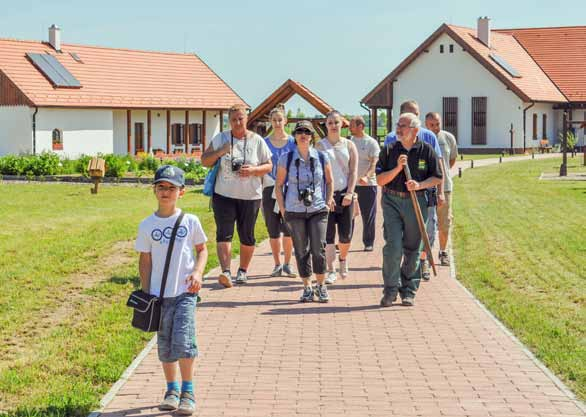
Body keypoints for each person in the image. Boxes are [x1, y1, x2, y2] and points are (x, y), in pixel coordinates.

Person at [135, 165, 208, 414]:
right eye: (161, 187)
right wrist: (146, 293)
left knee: (184, 342)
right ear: (154, 190)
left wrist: (198, 272)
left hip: (185, 293)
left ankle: (188, 391)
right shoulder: (146, 225)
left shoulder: (190, 221)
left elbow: (202, 250)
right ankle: (171, 390)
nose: (166, 192)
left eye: (171, 188)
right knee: (165, 344)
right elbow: (145, 261)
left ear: (182, 192)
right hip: (159, 296)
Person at [201, 104, 272, 287]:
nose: (237, 122)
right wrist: (220, 152)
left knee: (247, 235)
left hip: (250, 196)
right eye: (233, 119)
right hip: (223, 195)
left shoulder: (257, 140)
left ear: (247, 118)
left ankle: (243, 271)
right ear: (229, 121)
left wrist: (254, 170)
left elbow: (269, 165)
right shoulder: (221, 138)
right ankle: (225, 271)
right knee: (224, 233)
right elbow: (204, 160)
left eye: (240, 118)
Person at [376, 113, 442, 307]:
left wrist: (419, 185)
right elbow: (380, 180)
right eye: (398, 124)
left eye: (403, 125)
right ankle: (390, 290)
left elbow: (437, 177)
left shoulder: (426, 150)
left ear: (414, 130)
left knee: (413, 248)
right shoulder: (389, 150)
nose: (398, 128)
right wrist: (397, 168)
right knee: (393, 246)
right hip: (392, 200)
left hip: (416, 201)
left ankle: (409, 290)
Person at [384, 100, 445, 280]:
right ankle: (406, 267)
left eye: (417, 114)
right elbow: (385, 169)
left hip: (424, 194)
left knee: (427, 229)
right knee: (399, 234)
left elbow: (438, 166)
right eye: (411, 114)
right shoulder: (390, 138)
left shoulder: (429, 137)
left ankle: (423, 261)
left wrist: (440, 191)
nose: (415, 118)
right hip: (397, 196)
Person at [275, 121, 335, 302]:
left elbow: (330, 181)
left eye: (307, 132)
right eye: (300, 131)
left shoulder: (322, 157)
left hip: (317, 208)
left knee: (318, 249)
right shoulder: (286, 158)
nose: (303, 134)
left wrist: (327, 201)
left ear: (311, 136)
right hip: (294, 210)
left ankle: (321, 285)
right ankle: (307, 286)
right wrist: (284, 208)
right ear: (294, 135)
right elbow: (278, 185)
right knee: (301, 250)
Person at [316, 110, 358, 284]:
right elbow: (317, 173)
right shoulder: (320, 146)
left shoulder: (349, 145)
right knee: (328, 235)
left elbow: (354, 171)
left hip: (345, 194)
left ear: (342, 124)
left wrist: (350, 192)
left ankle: (343, 259)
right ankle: (331, 269)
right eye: (330, 123)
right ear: (326, 125)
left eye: (336, 122)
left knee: (345, 235)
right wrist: (326, 196)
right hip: (327, 196)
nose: (333, 125)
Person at [262, 106, 297, 277]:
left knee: (288, 227)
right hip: (269, 188)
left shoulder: (292, 142)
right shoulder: (265, 142)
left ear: (285, 121)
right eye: (274, 120)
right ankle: (276, 264)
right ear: (270, 121)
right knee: (272, 227)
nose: (277, 123)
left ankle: (288, 263)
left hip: (289, 188)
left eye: (280, 120)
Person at [425, 112, 458, 266]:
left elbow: (451, 160)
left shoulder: (448, 138)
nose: (435, 127)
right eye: (432, 125)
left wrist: (442, 174)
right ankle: (425, 256)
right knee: (427, 224)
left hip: (445, 188)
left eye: (437, 124)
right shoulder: (422, 138)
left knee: (444, 223)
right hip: (426, 187)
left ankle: (443, 252)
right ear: (426, 124)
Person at [349, 116, 380, 251]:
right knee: (348, 214)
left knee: (368, 215)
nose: (350, 128)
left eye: (352, 125)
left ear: (361, 126)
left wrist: (367, 177)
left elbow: (374, 163)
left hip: (368, 185)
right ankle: (346, 240)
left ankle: (368, 242)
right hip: (351, 185)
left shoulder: (371, 143)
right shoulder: (349, 142)